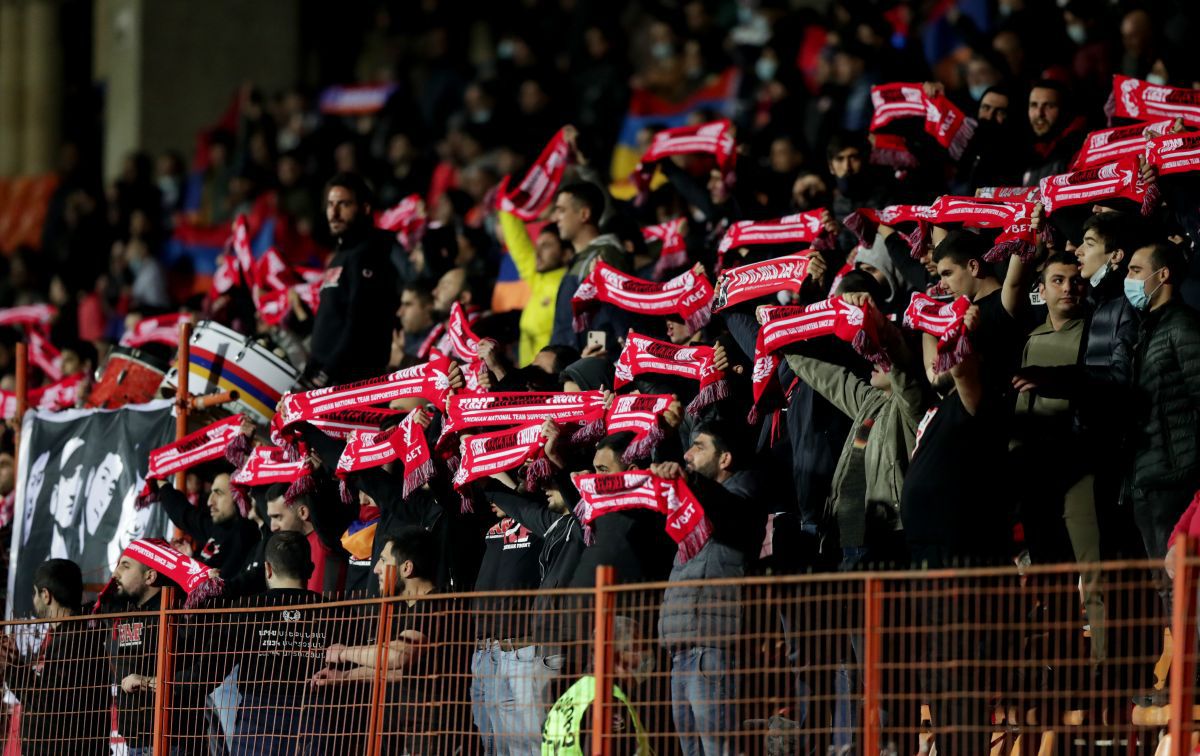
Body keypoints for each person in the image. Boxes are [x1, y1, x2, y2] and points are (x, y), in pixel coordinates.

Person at [313, 527, 463, 754]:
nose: (375, 569)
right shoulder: (405, 610)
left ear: (407, 567)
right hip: (401, 728)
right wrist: (344, 676)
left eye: (383, 560)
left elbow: (398, 655)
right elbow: (391, 668)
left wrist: (344, 653)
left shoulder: (436, 605)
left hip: (429, 732)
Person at [1126, 243, 1200, 624]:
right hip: (1150, 477)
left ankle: (1192, 675)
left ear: (1163, 275)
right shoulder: (1150, 329)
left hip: (1176, 479)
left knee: (1180, 584)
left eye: (1137, 271)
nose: (1129, 279)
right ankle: (1184, 677)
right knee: (1165, 585)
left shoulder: (1183, 326)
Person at [219, 531, 325, 755]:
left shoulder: (247, 609)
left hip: (257, 719)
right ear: (310, 568)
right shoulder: (337, 613)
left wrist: (159, 682)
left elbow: (212, 668)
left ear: (267, 568)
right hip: (316, 717)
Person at [0, 559, 110, 754]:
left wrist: (11, 667)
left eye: (35, 593)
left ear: (45, 595)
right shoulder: (67, 635)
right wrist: (14, 663)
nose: (34, 600)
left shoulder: (74, 640)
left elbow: (49, 703)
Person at [307, 172, 400, 387]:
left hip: (350, 381)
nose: (334, 213)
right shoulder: (342, 254)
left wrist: (327, 372)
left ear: (365, 208)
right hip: (327, 375)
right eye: (330, 204)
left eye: (344, 204)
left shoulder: (369, 253)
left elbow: (361, 322)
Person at [541, 616, 655, 755]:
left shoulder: (570, 696)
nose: (643, 657)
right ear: (617, 654)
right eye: (637, 649)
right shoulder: (608, 700)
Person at [548, 181, 626, 351]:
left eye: (562, 210)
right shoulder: (581, 259)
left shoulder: (604, 255)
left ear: (584, 214)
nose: (555, 218)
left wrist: (592, 359)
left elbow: (605, 314)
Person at [497, 207, 570, 365]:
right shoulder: (538, 278)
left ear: (566, 254)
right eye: (537, 246)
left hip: (549, 382)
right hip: (528, 380)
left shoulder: (570, 287)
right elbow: (517, 241)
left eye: (546, 246)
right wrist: (507, 203)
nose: (537, 252)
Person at [153, 469, 260, 577]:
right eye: (211, 493)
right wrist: (161, 480)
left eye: (218, 493)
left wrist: (191, 565)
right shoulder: (219, 527)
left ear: (239, 496)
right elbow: (184, 514)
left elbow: (216, 582)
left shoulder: (246, 534)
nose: (210, 502)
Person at [265, 484, 348, 594]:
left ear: (303, 512)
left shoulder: (327, 540)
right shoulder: (291, 549)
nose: (272, 527)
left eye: (277, 517)